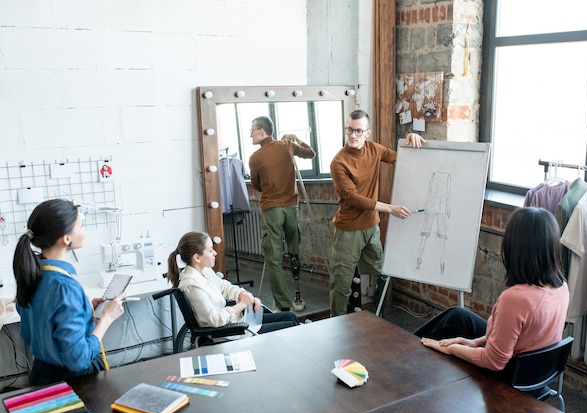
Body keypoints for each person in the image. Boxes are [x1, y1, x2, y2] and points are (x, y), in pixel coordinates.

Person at [416, 207, 570, 372]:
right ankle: (410, 344)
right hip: (534, 372)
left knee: (440, 341)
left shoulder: (515, 299)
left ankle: (406, 350)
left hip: (508, 378)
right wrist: (475, 342)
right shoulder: (561, 286)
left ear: (515, 248)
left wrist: (451, 349)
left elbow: (494, 361)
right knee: (458, 316)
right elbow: (519, 336)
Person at [13, 199, 126, 386]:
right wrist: (107, 318)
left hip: (42, 375)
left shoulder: (31, 275)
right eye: (81, 225)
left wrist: (85, 309)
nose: (84, 230)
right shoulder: (65, 287)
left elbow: (36, 328)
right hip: (75, 382)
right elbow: (78, 359)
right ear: (67, 239)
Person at [328, 109, 425, 316]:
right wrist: (390, 208)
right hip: (348, 231)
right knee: (341, 285)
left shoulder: (375, 149)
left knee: (378, 276)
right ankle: (333, 328)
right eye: (349, 130)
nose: (353, 135)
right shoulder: (339, 162)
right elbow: (353, 198)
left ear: (367, 133)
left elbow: (402, 158)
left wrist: (410, 138)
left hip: (371, 227)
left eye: (358, 131)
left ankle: (376, 323)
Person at [167, 231, 300, 335]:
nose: (215, 253)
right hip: (229, 331)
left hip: (236, 321)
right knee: (291, 326)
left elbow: (225, 287)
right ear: (197, 257)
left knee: (291, 316)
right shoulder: (191, 284)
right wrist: (242, 304)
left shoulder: (205, 271)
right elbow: (214, 319)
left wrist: (244, 295)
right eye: (210, 250)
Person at [248, 116, 316, 312]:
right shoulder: (287, 145)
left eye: (252, 130)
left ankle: (284, 306)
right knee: (294, 252)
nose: (251, 135)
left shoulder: (256, 157)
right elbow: (311, 154)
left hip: (272, 210)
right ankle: (297, 294)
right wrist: (296, 138)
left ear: (261, 131)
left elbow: (256, 185)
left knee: (274, 259)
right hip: (291, 209)